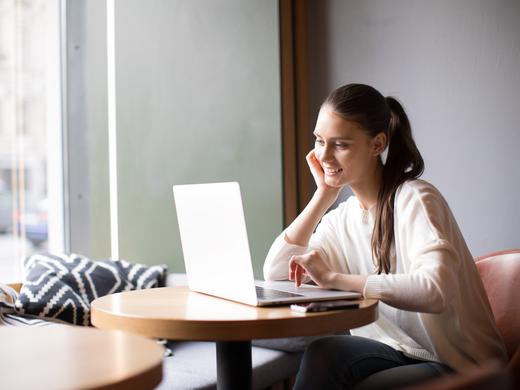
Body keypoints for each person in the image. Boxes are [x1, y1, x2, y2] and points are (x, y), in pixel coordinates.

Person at [263, 83, 507, 389]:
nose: (324, 154)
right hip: (395, 351)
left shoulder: (415, 199)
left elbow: (435, 291)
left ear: (377, 144)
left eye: (340, 144)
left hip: (457, 363)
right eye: (319, 140)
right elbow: (275, 273)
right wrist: (323, 196)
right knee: (323, 352)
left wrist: (336, 279)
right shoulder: (342, 218)